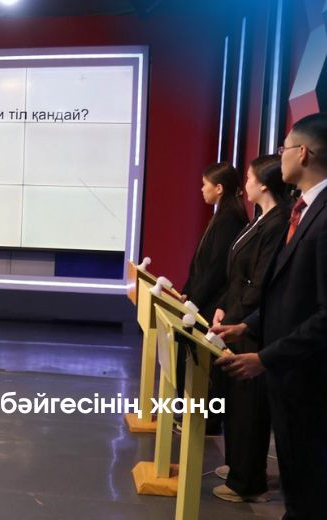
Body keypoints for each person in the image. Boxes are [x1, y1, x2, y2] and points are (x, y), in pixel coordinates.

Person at [213, 113, 327, 519]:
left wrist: (266, 357)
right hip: (288, 370)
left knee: (311, 484)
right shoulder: (303, 209)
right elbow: (288, 292)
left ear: (303, 153)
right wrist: (248, 325)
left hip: (308, 375)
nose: (280, 158)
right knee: (297, 477)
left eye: (283, 149)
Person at [210, 155, 290, 503]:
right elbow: (236, 272)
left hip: (251, 325)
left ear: (264, 184)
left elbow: (259, 282)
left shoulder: (278, 222)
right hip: (236, 316)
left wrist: (237, 319)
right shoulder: (259, 219)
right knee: (238, 403)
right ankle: (239, 466)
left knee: (249, 405)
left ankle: (248, 481)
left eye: (249, 177)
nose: (245, 183)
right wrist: (223, 305)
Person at [178, 162, 248, 434]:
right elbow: (201, 264)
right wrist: (188, 291)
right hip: (202, 300)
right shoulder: (221, 215)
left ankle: (209, 418)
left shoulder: (229, 218)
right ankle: (197, 413)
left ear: (218, 188)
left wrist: (194, 301)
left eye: (205, 184)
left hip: (211, 304)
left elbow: (216, 269)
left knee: (209, 365)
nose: (201, 189)